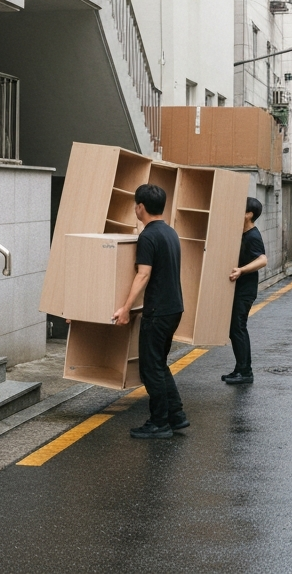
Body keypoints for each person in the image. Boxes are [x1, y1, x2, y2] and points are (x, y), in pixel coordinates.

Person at [113, 184, 189, 439]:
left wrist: (125, 308)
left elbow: (143, 274)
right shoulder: (170, 233)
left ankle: (159, 423)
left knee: (150, 368)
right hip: (174, 307)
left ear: (141, 207)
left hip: (158, 311)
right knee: (159, 364)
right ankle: (176, 416)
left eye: (136, 205)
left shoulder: (148, 236)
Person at [223, 197, 268, 385]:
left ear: (249, 214)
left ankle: (246, 372)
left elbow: (263, 260)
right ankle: (240, 368)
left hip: (245, 291)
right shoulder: (241, 233)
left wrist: (242, 270)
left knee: (238, 328)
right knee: (234, 330)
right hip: (238, 289)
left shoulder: (253, 236)